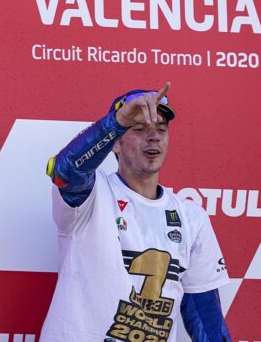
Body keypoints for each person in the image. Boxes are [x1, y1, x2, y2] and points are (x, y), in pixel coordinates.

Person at [40, 84, 232, 342]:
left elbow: (205, 316)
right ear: (115, 144)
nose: (153, 137)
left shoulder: (190, 216)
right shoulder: (92, 193)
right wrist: (116, 122)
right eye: (139, 129)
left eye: (161, 130)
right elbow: (64, 171)